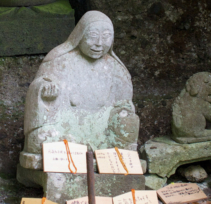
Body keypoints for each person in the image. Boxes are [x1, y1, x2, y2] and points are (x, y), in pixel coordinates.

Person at [23, 11, 139, 154]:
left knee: (130, 125)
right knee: (40, 139)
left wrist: (124, 115)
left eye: (106, 37)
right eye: (93, 36)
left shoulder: (116, 69)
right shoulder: (60, 60)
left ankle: (95, 151)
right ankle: (74, 147)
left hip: (103, 132)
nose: (99, 44)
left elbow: (124, 104)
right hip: (66, 129)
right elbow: (40, 85)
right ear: (80, 35)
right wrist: (45, 89)